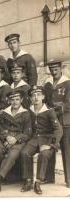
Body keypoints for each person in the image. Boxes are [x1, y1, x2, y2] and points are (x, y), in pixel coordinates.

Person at [0, 90, 32, 194]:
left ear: (21, 100)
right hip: (5, 140)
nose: (15, 102)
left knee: (12, 155)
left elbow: (28, 133)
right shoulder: (3, 112)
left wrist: (16, 139)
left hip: (18, 142)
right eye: (12, 100)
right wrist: (6, 138)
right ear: (9, 101)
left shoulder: (26, 113)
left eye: (17, 99)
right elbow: (0, 129)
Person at [20, 86, 63, 195]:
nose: (36, 97)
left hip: (47, 139)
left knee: (43, 154)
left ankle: (38, 181)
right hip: (34, 139)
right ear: (30, 98)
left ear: (43, 97)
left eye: (38, 95)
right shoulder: (28, 111)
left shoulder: (49, 111)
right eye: (33, 95)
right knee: (24, 153)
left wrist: (51, 144)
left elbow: (58, 130)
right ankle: (28, 180)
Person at [43, 60, 70, 188]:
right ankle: (49, 177)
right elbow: (46, 101)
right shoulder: (47, 84)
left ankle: (69, 179)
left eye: (56, 69)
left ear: (61, 69)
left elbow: (68, 104)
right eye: (51, 69)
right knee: (51, 146)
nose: (54, 72)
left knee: (67, 149)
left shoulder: (68, 83)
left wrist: (57, 108)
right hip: (52, 121)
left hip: (65, 121)